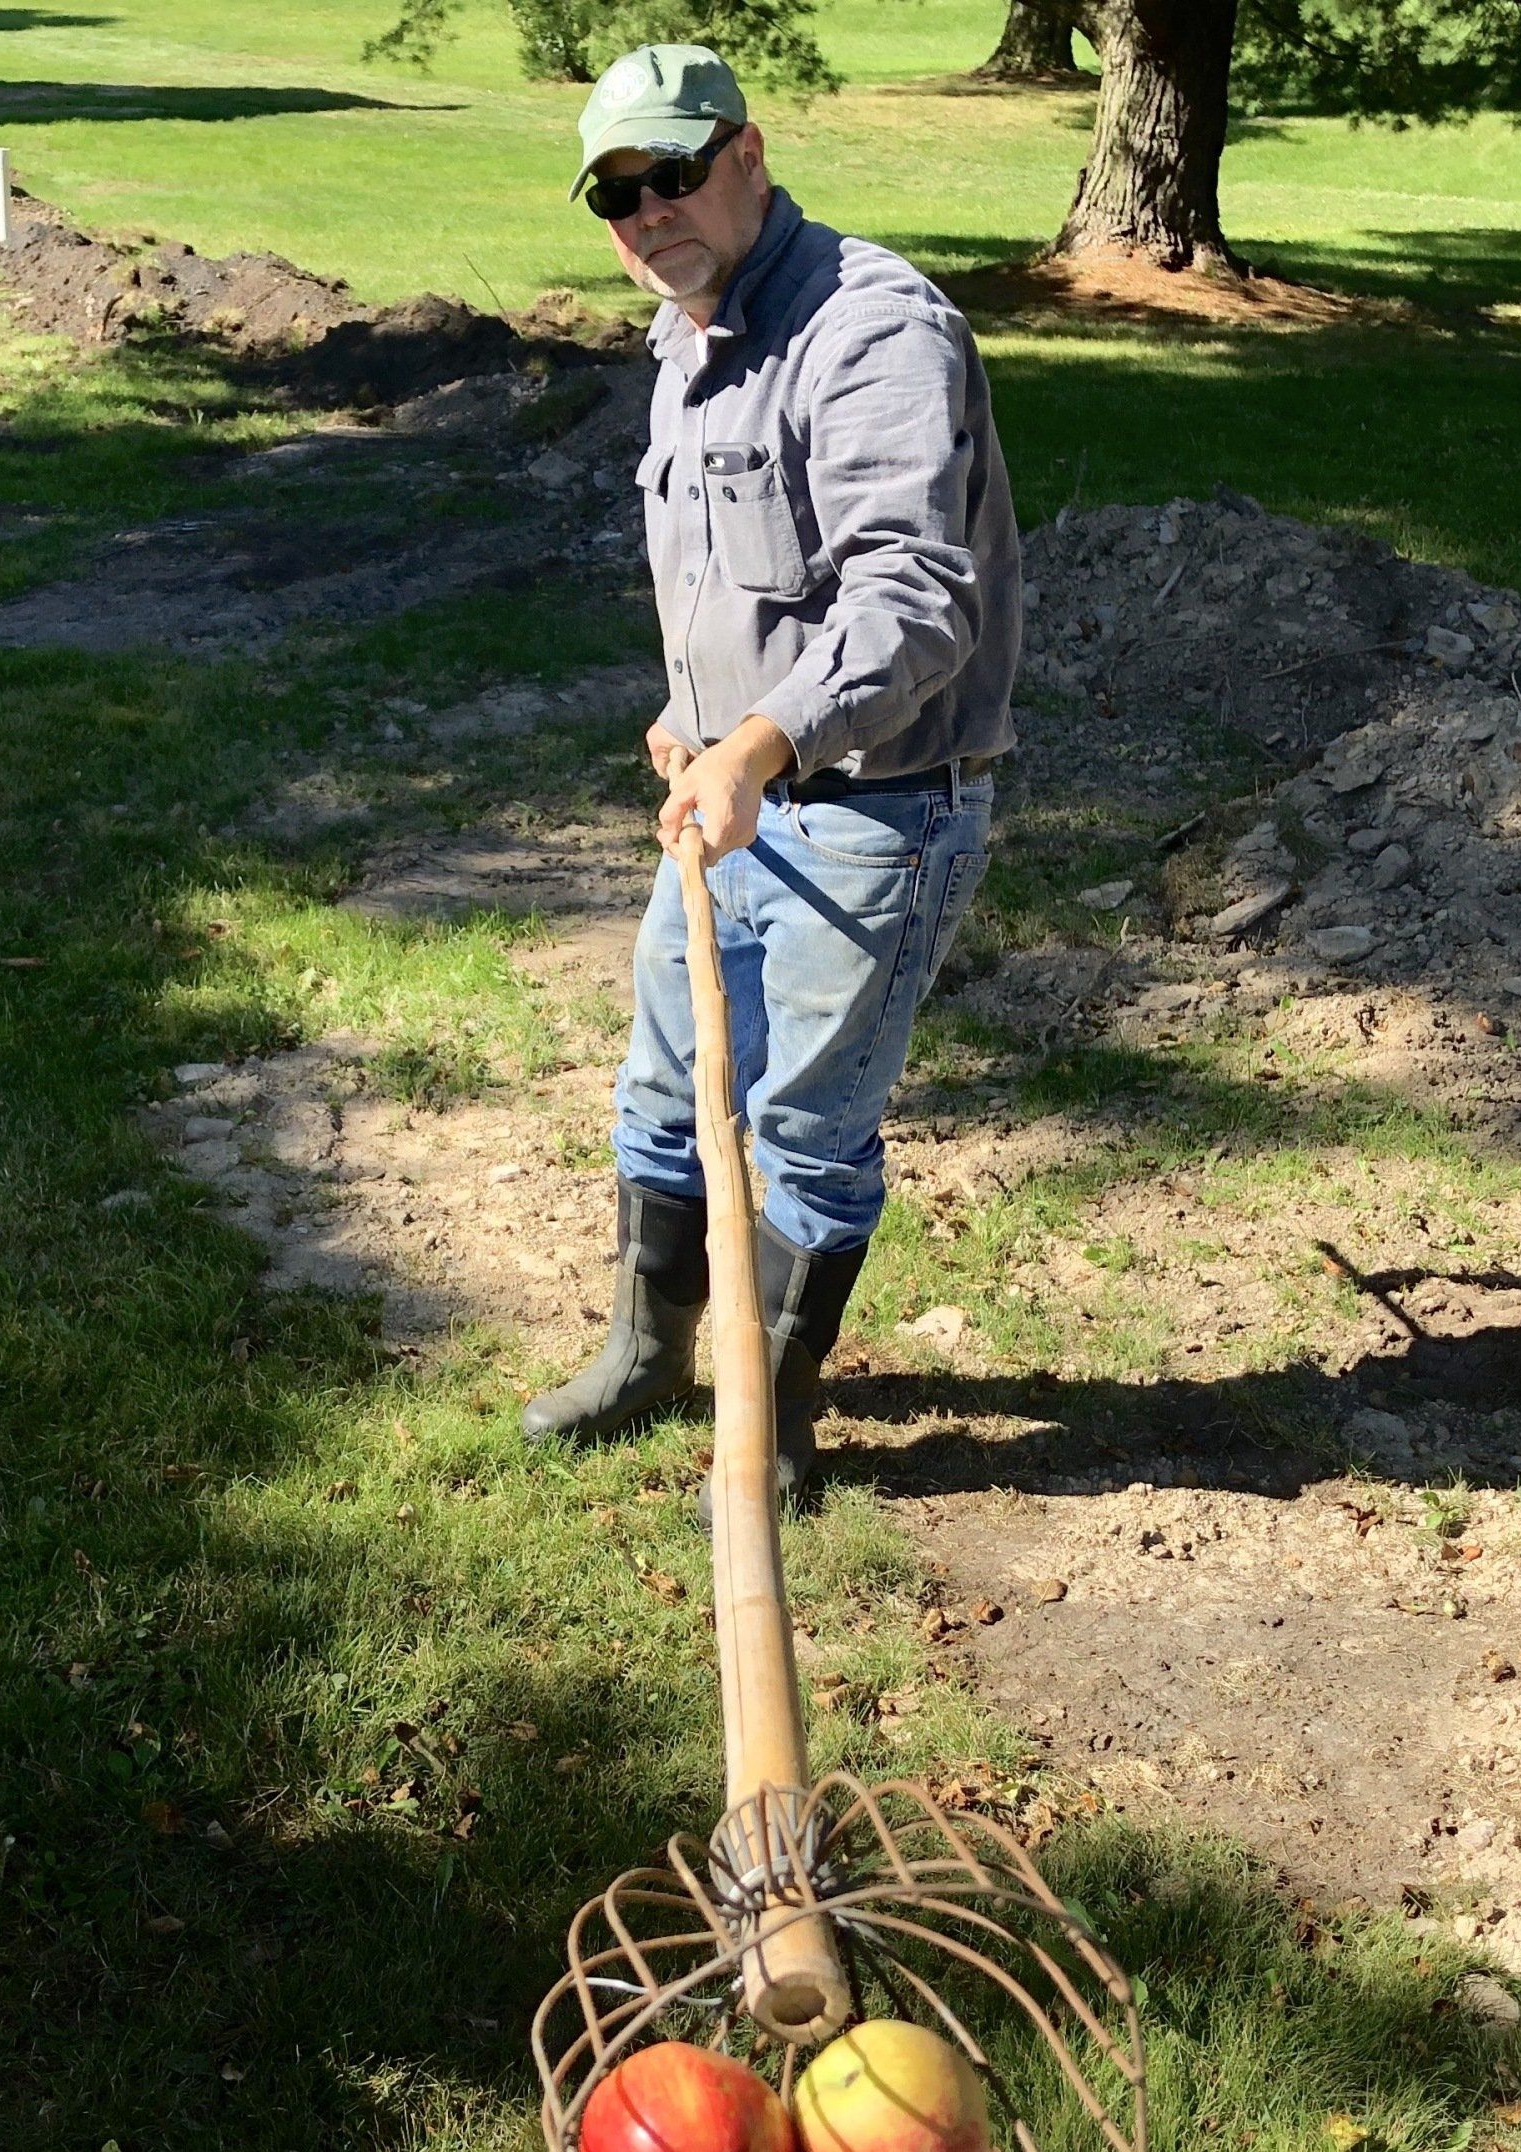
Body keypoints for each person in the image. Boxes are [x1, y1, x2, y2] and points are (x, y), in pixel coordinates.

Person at [522, 42, 1021, 1512]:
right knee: (665, 1090)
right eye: (616, 192)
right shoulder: (691, 328)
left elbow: (916, 600)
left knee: (804, 1123)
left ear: (747, 153)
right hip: (732, 799)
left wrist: (763, 737)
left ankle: (772, 1411)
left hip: (877, 810)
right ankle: (647, 1352)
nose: (646, 211)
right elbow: (738, 569)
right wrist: (699, 717)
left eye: (671, 173)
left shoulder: (872, 334)